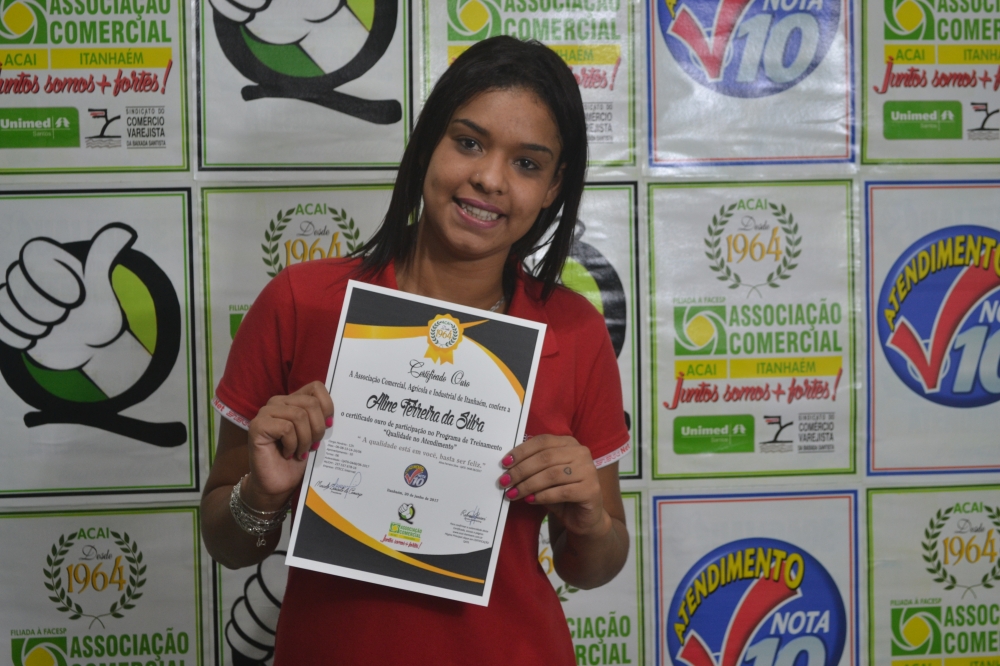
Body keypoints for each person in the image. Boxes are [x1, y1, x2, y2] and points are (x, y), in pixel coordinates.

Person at [202, 36, 631, 665]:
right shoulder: (301, 302)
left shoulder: (575, 332)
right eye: (469, 143)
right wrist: (261, 496)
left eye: (527, 163)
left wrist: (589, 519)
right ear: (429, 141)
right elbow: (226, 543)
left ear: (553, 186)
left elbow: (591, 567)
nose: (489, 178)